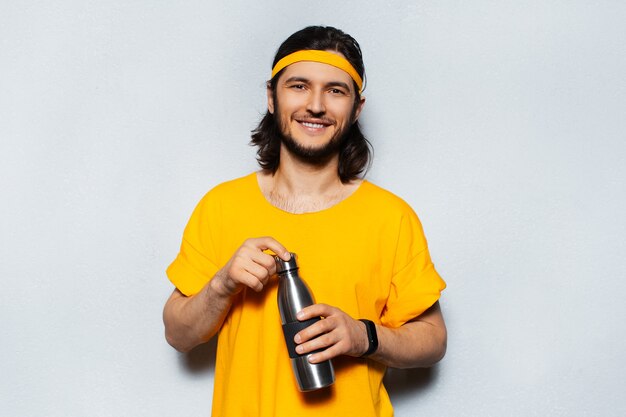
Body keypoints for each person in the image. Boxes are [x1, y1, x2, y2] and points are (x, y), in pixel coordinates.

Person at [163, 26, 447, 417]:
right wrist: (222, 285)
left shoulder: (391, 216)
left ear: (356, 109)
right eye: (298, 86)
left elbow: (433, 341)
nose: (316, 105)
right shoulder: (221, 206)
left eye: (335, 90)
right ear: (271, 97)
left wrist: (363, 335)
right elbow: (177, 334)